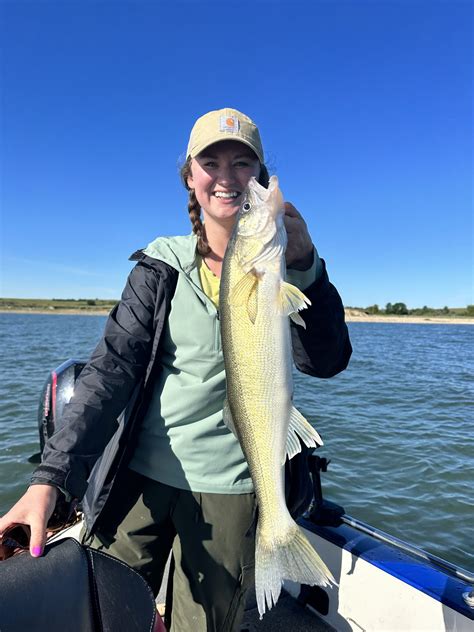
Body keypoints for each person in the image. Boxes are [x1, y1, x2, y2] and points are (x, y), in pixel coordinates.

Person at [0, 108, 352, 631]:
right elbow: (109, 372)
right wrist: (49, 480)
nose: (228, 178)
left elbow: (325, 361)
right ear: (191, 177)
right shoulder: (161, 266)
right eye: (211, 162)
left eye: (243, 163)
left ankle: (274, 535)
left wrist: (306, 267)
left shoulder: (283, 266)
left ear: (258, 173)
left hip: (233, 484)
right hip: (137, 477)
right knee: (106, 608)